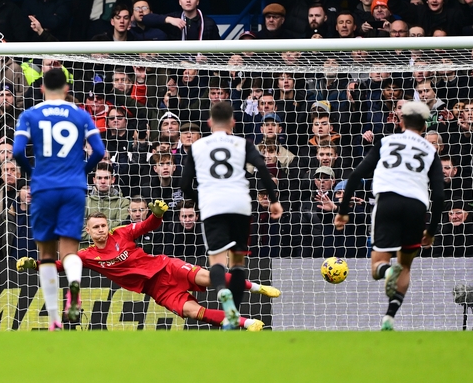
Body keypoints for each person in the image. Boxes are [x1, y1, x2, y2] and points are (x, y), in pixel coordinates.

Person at [17, 206, 280, 330]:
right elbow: (63, 265)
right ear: (87, 231)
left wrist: (156, 214)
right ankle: (246, 323)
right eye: (96, 227)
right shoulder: (86, 255)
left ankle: (258, 287)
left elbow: (146, 226)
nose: (101, 230)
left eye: (103, 225)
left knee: (210, 278)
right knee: (193, 312)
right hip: (156, 289)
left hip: (166, 267)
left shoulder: (121, 233)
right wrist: (35, 264)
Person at [335, 101, 445, 331]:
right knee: (405, 266)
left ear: (401, 121)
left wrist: (343, 211)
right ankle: (390, 316)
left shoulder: (386, 142)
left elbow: (355, 176)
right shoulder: (430, 152)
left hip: (388, 202)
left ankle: (387, 271)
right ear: (424, 127)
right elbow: (440, 196)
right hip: (416, 206)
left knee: (378, 266)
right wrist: (432, 231)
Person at [12, 68, 106, 330]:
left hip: (44, 187)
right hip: (73, 187)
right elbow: (99, 150)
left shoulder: (30, 114)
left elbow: (18, 150)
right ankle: (74, 288)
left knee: (45, 254)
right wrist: (80, 172)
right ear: (67, 89)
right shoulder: (81, 114)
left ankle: (54, 318)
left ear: (41, 89)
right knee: (69, 251)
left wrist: (32, 173)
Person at [180, 101, 282, 329]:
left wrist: (200, 201)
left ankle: (223, 294)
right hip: (240, 206)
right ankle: (234, 314)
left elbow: (185, 184)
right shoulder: (242, 143)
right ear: (233, 122)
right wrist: (274, 200)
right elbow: (263, 169)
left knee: (216, 261)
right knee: (237, 262)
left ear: (209, 123)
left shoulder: (197, 146)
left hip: (213, 206)